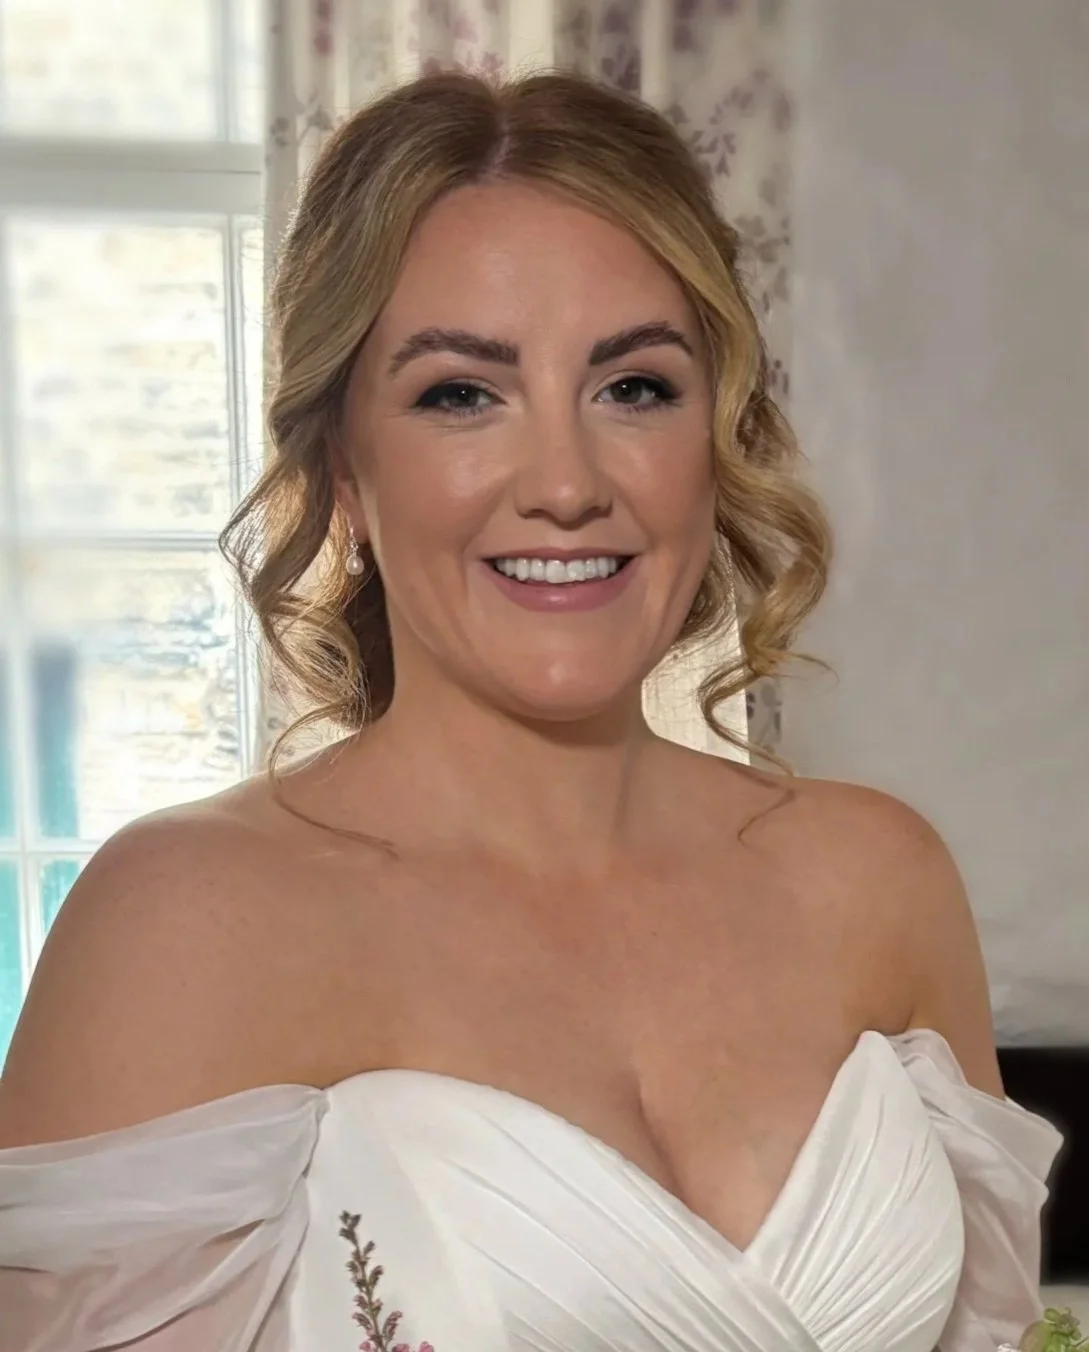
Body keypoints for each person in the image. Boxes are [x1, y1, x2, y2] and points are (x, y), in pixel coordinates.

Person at [0, 70, 1064, 1352]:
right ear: (345, 468)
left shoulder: (880, 880)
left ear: (715, 438)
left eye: (635, 387)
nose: (565, 483)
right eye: (461, 393)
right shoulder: (183, 924)